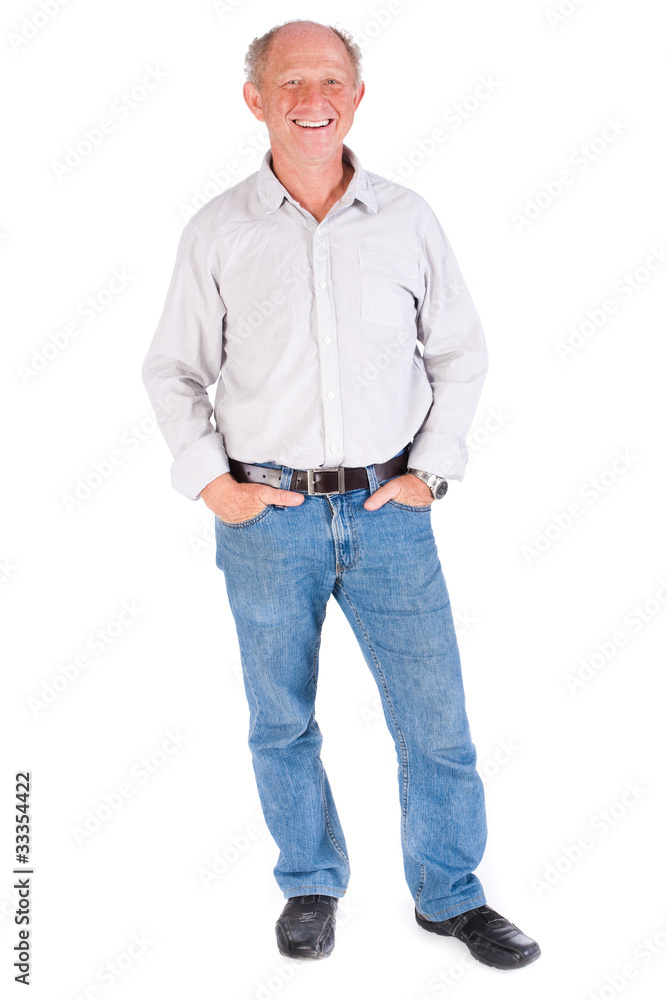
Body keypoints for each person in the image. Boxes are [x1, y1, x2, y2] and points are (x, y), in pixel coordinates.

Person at [141, 18, 540, 970]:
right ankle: (310, 884)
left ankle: (450, 895)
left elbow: (460, 354)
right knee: (281, 719)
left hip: (387, 515)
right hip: (264, 517)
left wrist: (428, 472)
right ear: (255, 99)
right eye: (289, 82)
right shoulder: (217, 230)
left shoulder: (407, 219)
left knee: (435, 722)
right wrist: (212, 484)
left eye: (329, 80)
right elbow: (173, 371)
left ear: (356, 97)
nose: (310, 99)